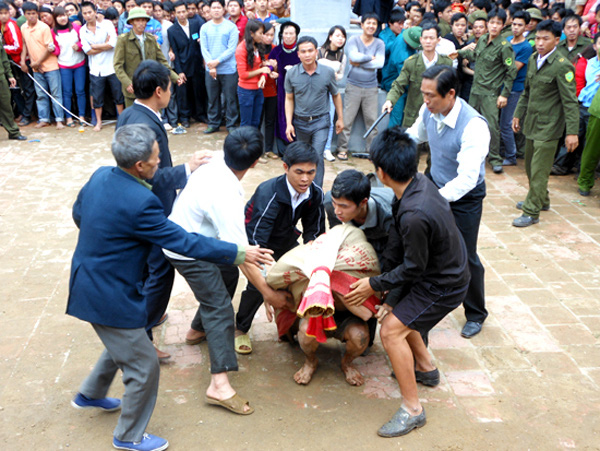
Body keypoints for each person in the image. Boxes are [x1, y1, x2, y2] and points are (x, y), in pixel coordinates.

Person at [67, 123, 272, 451]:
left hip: (92, 281)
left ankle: (89, 394)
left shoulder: (101, 176)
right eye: (156, 158)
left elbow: (79, 214)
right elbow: (182, 242)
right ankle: (128, 436)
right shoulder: (141, 201)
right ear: (140, 166)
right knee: (143, 362)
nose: (160, 162)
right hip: (109, 292)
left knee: (124, 338)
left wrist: (107, 239)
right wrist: (237, 252)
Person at [344, 128, 469, 439]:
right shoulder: (415, 186)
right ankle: (425, 367)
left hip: (443, 284)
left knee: (390, 330)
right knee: (399, 312)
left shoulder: (414, 211)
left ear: (382, 173)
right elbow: (398, 246)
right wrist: (386, 286)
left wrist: (375, 284)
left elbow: (413, 268)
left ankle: (413, 410)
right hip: (440, 270)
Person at [165, 127, 292, 414]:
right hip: (185, 249)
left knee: (227, 273)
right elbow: (243, 256)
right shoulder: (227, 197)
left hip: (196, 237)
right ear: (257, 161)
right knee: (220, 308)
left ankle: (197, 329)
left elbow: (236, 259)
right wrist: (269, 293)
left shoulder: (214, 161)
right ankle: (218, 386)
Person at [116, 60, 211, 359]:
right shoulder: (143, 123)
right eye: (170, 87)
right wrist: (188, 168)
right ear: (159, 91)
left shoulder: (133, 113)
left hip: (142, 205)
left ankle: (145, 322)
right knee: (160, 270)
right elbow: (151, 175)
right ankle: (141, 336)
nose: (172, 92)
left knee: (146, 269)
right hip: (147, 208)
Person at [406, 65, 489, 339]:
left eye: (431, 96)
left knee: (465, 254)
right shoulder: (428, 110)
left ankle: (476, 313)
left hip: (464, 197)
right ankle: (424, 301)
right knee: (423, 247)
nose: (426, 101)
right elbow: (416, 134)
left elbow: (466, 179)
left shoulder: (473, 126)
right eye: (423, 94)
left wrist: (433, 201)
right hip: (436, 182)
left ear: (451, 94)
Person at [234, 142, 326, 355]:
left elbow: (315, 231)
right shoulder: (269, 194)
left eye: (311, 172)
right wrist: (268, 285)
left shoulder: (315, 193)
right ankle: (240, 328)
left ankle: (288, 327)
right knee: (258, 287)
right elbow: (258, 242)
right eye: (299, 172)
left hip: (286, 237)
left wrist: (311, 256)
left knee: (300, 278)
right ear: (285, 167)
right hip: (256, 241)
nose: (305, 179)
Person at [512, 20, 579, 227]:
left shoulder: (562, 66)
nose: (540, 43)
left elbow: (570, 102)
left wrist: (572, 132)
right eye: (538, 38)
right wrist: (517, 114)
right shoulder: (533, 59)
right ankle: (542, 198)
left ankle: (532, 211)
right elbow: (527, 92)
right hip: (532, 123)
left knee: (540, 170)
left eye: (545, 39)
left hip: (549, 128)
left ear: (557, 41)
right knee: (531, 168)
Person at [454, 7, 517, 174]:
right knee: (470, 124)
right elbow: (475, 57)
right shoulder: (482, 40)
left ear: (503, 25)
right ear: (487, 23)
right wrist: (460, 53)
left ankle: (495, 158)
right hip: (475, 90)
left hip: (491, 93)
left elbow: (511, 71)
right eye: (492, 22)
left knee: (492, 126)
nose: (494, 26)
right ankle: (469, 153)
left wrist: (504, 94)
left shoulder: (504, 46)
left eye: (498, 23)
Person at [285, 36, 344, 187]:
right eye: (303, 51)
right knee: (302, 157)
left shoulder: (327, 72)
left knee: (317, 156)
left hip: (321, 121)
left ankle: (316, 191)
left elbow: (336, 95)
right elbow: (289, 99)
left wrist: (340, 119)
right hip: (300, 122)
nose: (307, 55)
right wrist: (289, 123)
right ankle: (301, 188)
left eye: (310, 50)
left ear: (316, 52)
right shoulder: (292, 73)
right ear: (298, 54)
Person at [382, 23, 453, 128]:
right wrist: (389, 100)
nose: (428, 41)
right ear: (421, 40)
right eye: (425, 38)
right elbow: (398, 85)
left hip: (437, 114)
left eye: (432, 38)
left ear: (438, 40)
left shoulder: (446, 63)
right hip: (413, 115)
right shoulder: (411, 63)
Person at [336, 13, 385, 160]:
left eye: (374, 24)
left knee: (372, 120)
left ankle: (372, 151)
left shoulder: (379, 43)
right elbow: (353, 57)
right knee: (347, 120)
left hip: (371, 87)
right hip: (353, 86)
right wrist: (370, 58)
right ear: (362, 25)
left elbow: (380, 63)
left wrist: (360, 62)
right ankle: (342, 149)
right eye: (368, 23)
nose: (371, 26)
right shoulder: (353, 40)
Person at [114, 6, 180, 108]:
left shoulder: (151, 39)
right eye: (138, 20)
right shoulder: (123, 40)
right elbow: (118, 65)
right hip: (133, 87)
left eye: (143, 20)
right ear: (131, 22)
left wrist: (175, 77)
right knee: (135, 119)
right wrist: (127, 83)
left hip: (151, 85)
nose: (141, 23)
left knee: (153, 115)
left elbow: (162, 61)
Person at [324, 169, 395, 263]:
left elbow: (397, 253)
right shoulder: (329, 202)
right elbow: (337, 231)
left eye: (343, 206)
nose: (337, 211)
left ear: (363, 202)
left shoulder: (389, 216)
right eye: (335, 203)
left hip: (386, 238)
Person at [80, 1, 124, 132]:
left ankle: (121, 120)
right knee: (97, 98)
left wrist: (95, 46)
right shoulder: (83, 30)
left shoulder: (107, 24)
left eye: (90, 12)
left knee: (118, 96)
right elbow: (87, 51)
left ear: (95, 11)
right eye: (85, 13)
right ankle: (98, 122)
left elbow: (113, 44)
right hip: (95, 69)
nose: (88, 15)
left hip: (111, 66)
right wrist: (103, 45)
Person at [20, 1, 65, 129]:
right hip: (35, 68)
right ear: (24, 14)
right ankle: (44, 118)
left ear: (37, 14)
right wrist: (23, 62)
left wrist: (37, 62)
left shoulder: (44, 27)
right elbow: (24, 45)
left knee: (56, 94)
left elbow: (49, 48)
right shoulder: (23, 27)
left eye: (34, 13)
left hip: (50, 66)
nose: (31, 16)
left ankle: (59, 120)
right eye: (28, 14)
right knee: (41, 95)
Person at [499, 10, 533, 166]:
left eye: (520, 25)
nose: (516, 28)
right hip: (500, 86)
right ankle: (502, 151)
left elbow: (514, 69)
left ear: (526, 27)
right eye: (514, 24)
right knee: (498, 122)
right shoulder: (506, 40)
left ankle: (511, 155)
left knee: (506, 123)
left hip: (515, 88)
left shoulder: (526, 47)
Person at [200, 0, 239, 134]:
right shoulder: (205, 27)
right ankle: (213, 123)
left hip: (228, 69)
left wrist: (216, 62)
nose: (216, 10)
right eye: (213, 8)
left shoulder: (231, 27)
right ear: (209, 10)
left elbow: (231, 49)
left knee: (230, 98)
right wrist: (211, 65)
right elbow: (204, 48)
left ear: (224, 9)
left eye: (219, 7)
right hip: (210, 70)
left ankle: (231, 124)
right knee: (212, 98)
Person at [168, 0, 207, 128]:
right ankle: (184, 117)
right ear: (175, 14)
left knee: (198, 91)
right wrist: (179, 71)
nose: (182, 14)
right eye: (178, 12)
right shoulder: (172, 30)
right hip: (183, 66)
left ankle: (200, 114)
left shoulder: (196, 24)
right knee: (183, 94)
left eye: (184, 11)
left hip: (197, 65)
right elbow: (176, 52)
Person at [0, 1, 34, 127]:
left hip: (22, 61)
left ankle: (27, 115)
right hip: (12, 62)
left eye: (5, 13)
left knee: (28, 88)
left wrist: (2, 48)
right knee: (15, 88)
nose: (3, 16)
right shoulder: (1, 25)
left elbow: (17, 47)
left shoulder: (11, 26)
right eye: (0, 14)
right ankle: (21, 112)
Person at [269, 20, 301, 154]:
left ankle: (297, 147)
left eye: (291, 33)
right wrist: (271, 69)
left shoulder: (301, 50)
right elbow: (270, 65)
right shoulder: (276, 50)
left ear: (296, 35)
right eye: (285, 33)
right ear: (281, 35)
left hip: (300, 89)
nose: (288, 36)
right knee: (281, 115)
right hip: (282, 89)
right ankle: (283, 149)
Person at [52, 6, 86, 127]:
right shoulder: (53, 32)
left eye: (64, 15)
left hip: (79, 64)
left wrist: (79, 45)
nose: (63, 18)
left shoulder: (76, 27)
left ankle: (81, 116)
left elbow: (85, 41)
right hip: (64, 65)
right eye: (59, 16)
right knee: (67, 92)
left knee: (80, 91)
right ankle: (68, 117)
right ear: (55, 18)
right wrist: (52, 49)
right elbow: (56, 51)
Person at [318, 25, 347, 162]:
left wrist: (335, 76)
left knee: (330, 120)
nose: (340, 39)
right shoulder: (319, 51)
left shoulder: (342, 56)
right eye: (337, 35)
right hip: (317, 91)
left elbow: (341, 75)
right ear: (330, 37)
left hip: (332, 91)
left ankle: (327, 148)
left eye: (342, 36)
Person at [235, 19, 270, 128]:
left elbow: (262, 66)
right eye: (260, 33)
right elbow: (243, 75)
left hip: (258, 89)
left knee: (256, 122)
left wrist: (264, 74)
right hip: (246, 91)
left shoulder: (258, 46)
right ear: (251, 33)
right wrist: (261, 71)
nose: (262, 36)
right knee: (246, 123)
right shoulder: (241, 49)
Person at [0, 44, 26, 140]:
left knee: (6, 105)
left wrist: (10, 75)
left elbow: (4, 58)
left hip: (1, 77)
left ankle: (13, 132)